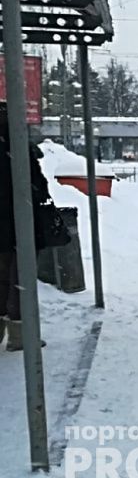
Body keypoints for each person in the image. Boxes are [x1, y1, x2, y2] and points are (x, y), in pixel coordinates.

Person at [0, 111, 56, 352]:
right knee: (19, 278)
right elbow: (37, 185)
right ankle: (20, 334)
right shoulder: (18, 146)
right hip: (18, 223)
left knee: (2, 277)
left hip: (4, 224)